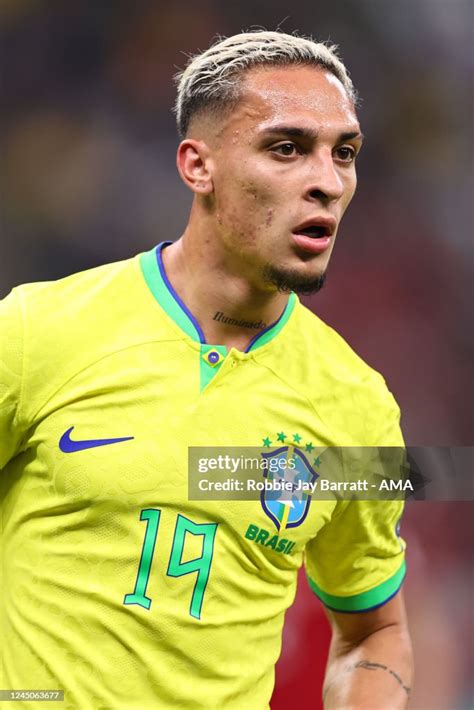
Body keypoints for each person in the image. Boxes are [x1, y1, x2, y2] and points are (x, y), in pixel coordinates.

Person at [0, 30, 413, 709]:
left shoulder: (359, 409)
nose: (328, 181)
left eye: (344, 153)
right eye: (287, 148)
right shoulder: (34, 333)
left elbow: (376, 631)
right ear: (198, 166)